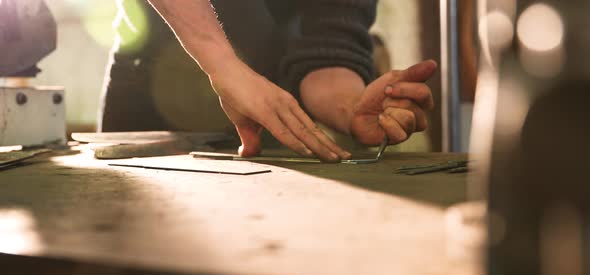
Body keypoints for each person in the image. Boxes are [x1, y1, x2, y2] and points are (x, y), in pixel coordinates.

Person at [100, 0, 437, 162]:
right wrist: (223, 65)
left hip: (275, 115)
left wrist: (350, 106)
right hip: (155, 89)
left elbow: (329, 37)